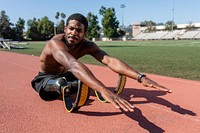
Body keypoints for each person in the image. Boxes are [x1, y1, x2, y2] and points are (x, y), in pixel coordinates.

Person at [31, 13, 172, 112]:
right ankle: (67, 86)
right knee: (63, 80)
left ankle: (80, 85)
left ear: (84, 33)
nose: (74, 33)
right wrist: (104, 90)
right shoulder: (55, 43)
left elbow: (110, 60)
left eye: (79, 30)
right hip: (46, 78)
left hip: (67, 74)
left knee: (82, 72)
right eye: (71, 28)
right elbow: (72, 64)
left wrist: (140, 77)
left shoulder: (87, 45)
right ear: (65, 29)